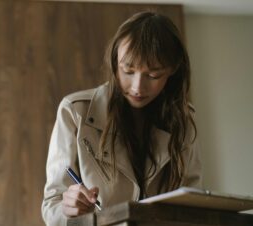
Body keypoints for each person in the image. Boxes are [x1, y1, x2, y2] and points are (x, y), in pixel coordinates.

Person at [42, 11, 202, 225]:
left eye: (154, 75)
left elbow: (194, 203)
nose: (138, 87)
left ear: (173, 70)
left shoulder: (183, 119)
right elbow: (51, 206)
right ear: (114, 61)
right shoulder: (74, 112)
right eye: (128, 70)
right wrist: (68, 208)